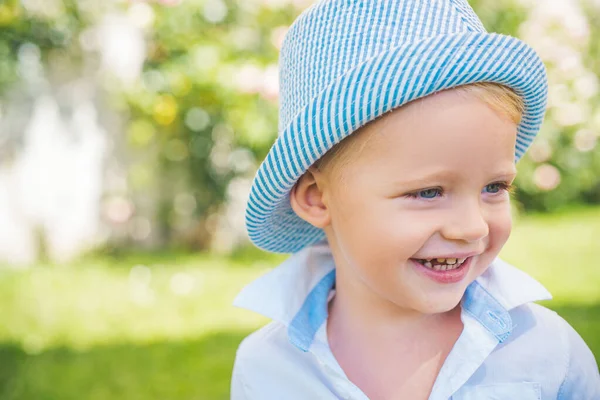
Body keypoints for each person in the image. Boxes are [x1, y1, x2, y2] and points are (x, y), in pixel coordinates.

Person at [230, 0, 600, 399]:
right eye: (428, 192)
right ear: (318, 198)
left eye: (494, 187)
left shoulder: (546, 355)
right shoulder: (269, 371)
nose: (472, 226)